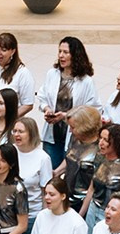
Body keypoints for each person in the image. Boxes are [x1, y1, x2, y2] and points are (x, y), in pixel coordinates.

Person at [36, 37, 99, 167]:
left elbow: (92, 109)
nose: (61, 55)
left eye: (65, 52)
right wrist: (47, 109)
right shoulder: (52, 74)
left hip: (74, 136)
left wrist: (65, 116)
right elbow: (42, 95)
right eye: (60, 51)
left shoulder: (86, 81)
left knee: (70, 171)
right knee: (50, 170)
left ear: (75, 55)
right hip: (53, 135)